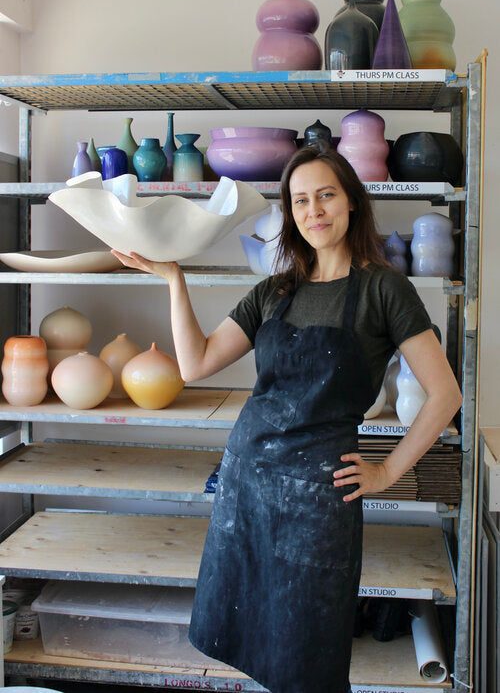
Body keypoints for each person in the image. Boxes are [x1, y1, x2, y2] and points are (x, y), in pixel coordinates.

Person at [112, 145, 462, 693]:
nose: (314, 210)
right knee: (250, 641)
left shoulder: (383, 288)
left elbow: (444, 394)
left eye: (326, 195)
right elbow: (195, 363)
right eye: (300, 200)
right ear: (290, 212)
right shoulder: (276, 290)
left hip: (318, 506)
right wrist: (174, 280)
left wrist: (388, 471)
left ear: (350, 202)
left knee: (308, 657)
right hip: (246, 490)